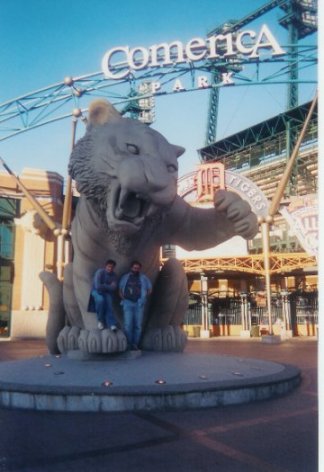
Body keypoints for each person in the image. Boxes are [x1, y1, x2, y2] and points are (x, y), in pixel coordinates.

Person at [119, 261, 152, 350]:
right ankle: (129, 344)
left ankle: (135, 344)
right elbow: (120, 289)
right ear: (131, 268)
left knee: (138, 325)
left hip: (139, 304)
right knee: (128, 324)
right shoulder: (125, 277)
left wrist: (143, 298)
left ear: (139, 269)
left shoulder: (144, 278)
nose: (136, 269)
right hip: (128, 303)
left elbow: (149, 289)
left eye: (137, 268)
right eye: (134, 268)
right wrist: (123, 299)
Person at [90, 259, 118, 331]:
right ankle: (100, 321)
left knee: (109, 304)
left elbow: (114, 288)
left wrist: (104, 285)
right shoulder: (100, 272)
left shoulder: (114, 275)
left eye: (112, 267)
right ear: (105, 266)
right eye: (109, 266)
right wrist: (108, 285)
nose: (110, 268)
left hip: (107, 293)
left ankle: (111, 324)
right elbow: (97, 286)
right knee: (100, 300)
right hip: (96, 291)